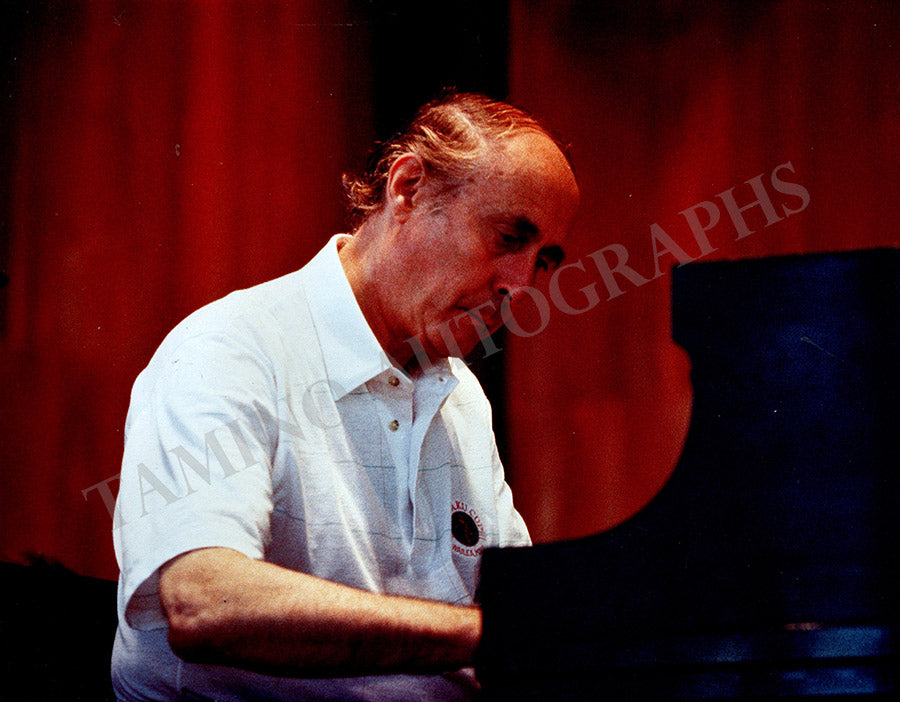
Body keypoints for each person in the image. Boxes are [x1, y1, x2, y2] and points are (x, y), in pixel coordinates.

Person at [111, 92, 579, 701]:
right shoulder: (230, 346)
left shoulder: (462, 396)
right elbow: (204, 599)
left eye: (543, 260)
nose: (522, 286)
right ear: (408, 188)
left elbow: (523, 617)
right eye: (508, 238)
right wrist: (492, 635)